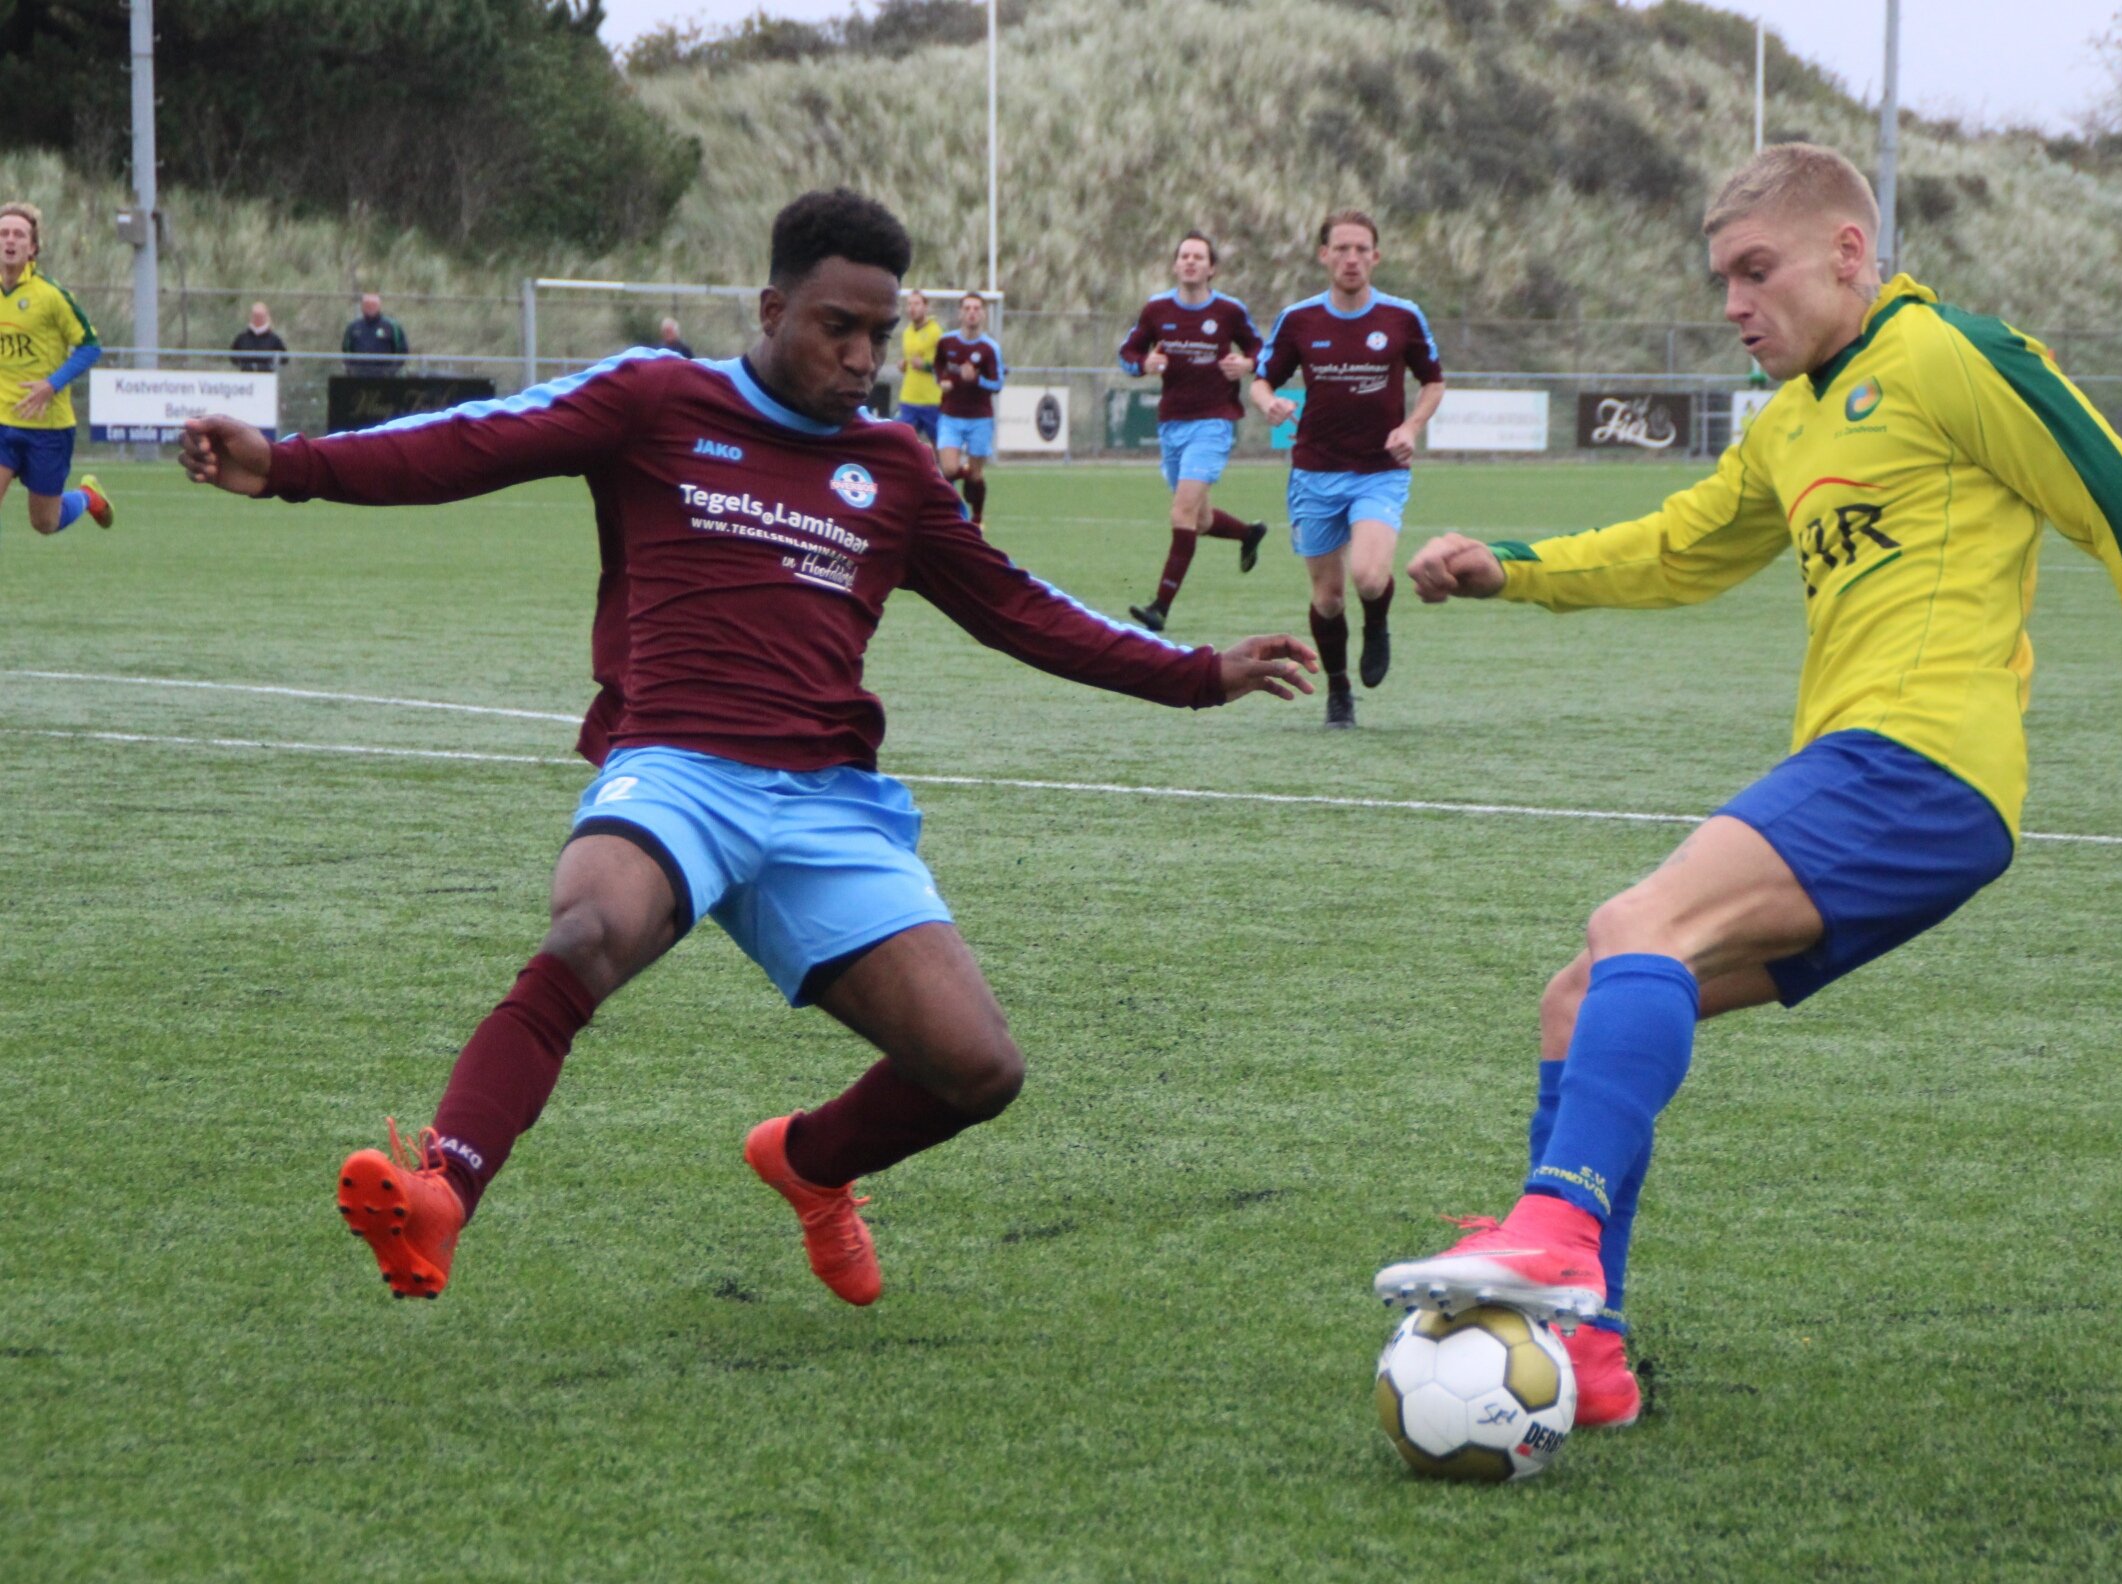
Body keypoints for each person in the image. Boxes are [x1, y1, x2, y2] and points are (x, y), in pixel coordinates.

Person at [177, 188, 1317, 1306]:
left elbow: (1019, 609)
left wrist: (1192, 676)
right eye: (839, 327)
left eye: (880, 332)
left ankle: (812, 1163)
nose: (864, 355)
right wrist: (292, 466)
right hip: (677, 768)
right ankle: (442, 1191)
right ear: (772, 309)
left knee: (978, 1070)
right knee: (587, 928)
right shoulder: (654, 400)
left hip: (827, 803)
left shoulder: (898, 472)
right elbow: (477, 441)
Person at [1372, 143, 2122, 1429]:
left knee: (1635, 926)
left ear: (1847, 253)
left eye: (1757, 271)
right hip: (1871, 783)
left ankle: (1555, 1229)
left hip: (1921, 764)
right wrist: (1512, 567)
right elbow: (1681, 547)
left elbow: (2119, 506)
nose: (1736, 304)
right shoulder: (1794, 417)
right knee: (1579, 998)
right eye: (1721, 282)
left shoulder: (1947, 357)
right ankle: (1586, 1351)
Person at [1250, 210, 1445, 728]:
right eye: (1341, 249)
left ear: (1376, 257)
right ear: (1324, 256)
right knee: (1329, 598)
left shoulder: (1402, 317)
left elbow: (1434, 382)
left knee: (1368, 575)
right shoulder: (1299, 319)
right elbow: (1261, 379)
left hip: (1380, 469)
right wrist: (1267, 402)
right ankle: (1339, 689)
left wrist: (1411, 427)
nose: (1352, 258)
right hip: (1314, 471)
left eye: (1361, 249)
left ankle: (1377, 623)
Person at [1118, 230, 1269, 634]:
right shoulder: (1156, 310)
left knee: (1182, 512)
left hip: (1214, 422)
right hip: (1171, 424)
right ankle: (1249, 533)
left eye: (1198, 257)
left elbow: (1263, 349)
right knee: (1199, 519)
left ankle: (1160, 608)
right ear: (1174, 264)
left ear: (1211, 268)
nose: (1190, 262)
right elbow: (1127, 354)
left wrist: (1248, 364)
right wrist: (1143, 364)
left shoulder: (1229, 311)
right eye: (1184, 255)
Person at [0, 202, 112, 536]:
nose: (10, 240)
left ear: (32, 248)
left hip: (47, 428)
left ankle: (87, 496)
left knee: (45, 523)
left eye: (19, 234)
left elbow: (91, 346)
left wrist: (52, 383)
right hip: (3, 420)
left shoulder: (50, 296)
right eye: (3, 233)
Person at [933, 291, 1001, 525]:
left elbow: (997, 383)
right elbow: (938, 365)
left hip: (980, 418)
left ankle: (977, 518)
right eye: (968, 308)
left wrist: (976, 380)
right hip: (950, 416)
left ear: (982, 314)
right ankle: (950, 516)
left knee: (975, 476)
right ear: (961, 313)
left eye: (976, 309)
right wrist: (941, 380)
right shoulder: (946, 342)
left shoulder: (989, 349)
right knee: (949, 469)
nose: (972, 313)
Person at [893, 289, 942, 446]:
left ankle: (940, 471)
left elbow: (944, 364)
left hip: (931, 400)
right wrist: (904, 365)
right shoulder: (907, 332)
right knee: (900, 441)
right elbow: (911, 360)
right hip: (908, 398)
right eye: (909, 304)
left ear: (925, 307)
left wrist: (926, 365)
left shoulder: (936, 332)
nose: (912, 308)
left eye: (916, 304)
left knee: (938, 443)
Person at [341, 293, 407, 377]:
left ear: (379, 306)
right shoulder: (353, 326)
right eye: (367, 304)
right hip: (358, 376)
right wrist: (351, 369)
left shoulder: (392, 326)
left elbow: (402, 350)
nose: (370, 307)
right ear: (362, 306)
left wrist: (391, 370)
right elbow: (346, 350)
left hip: (385, 377)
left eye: (373, 304)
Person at [230, 302, 288, 373]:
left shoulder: (274, 339)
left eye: (260, 316)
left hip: (267, 377)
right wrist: (242, 364)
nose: (258, 319)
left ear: (266, 317)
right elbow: (232, 355)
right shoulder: (242, 338)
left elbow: (284, 359)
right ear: (251, 316)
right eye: (255, 316)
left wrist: (271, 365)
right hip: (246, 377)